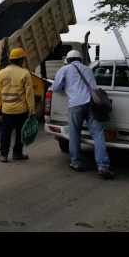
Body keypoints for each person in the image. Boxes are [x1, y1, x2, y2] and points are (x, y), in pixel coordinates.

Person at [52, 50, 114, 179]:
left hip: (75, 104)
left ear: (68, 60)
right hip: (92, 104)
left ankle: (76, 162)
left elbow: (56, 88)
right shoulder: (88, 69)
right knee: (97, 134)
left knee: (75, 133)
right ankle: (103, 165)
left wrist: (67, 86)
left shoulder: (64, 69)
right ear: (80, 59)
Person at [0, 47, 35, 163]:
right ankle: (17, 153)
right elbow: (29, 94)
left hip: (7, 110)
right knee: (20, 133)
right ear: (21, 60)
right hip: (21, 110)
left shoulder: (1, 73)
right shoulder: (25, 73)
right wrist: (32, 110)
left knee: (5, 133)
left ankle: (3, 155)